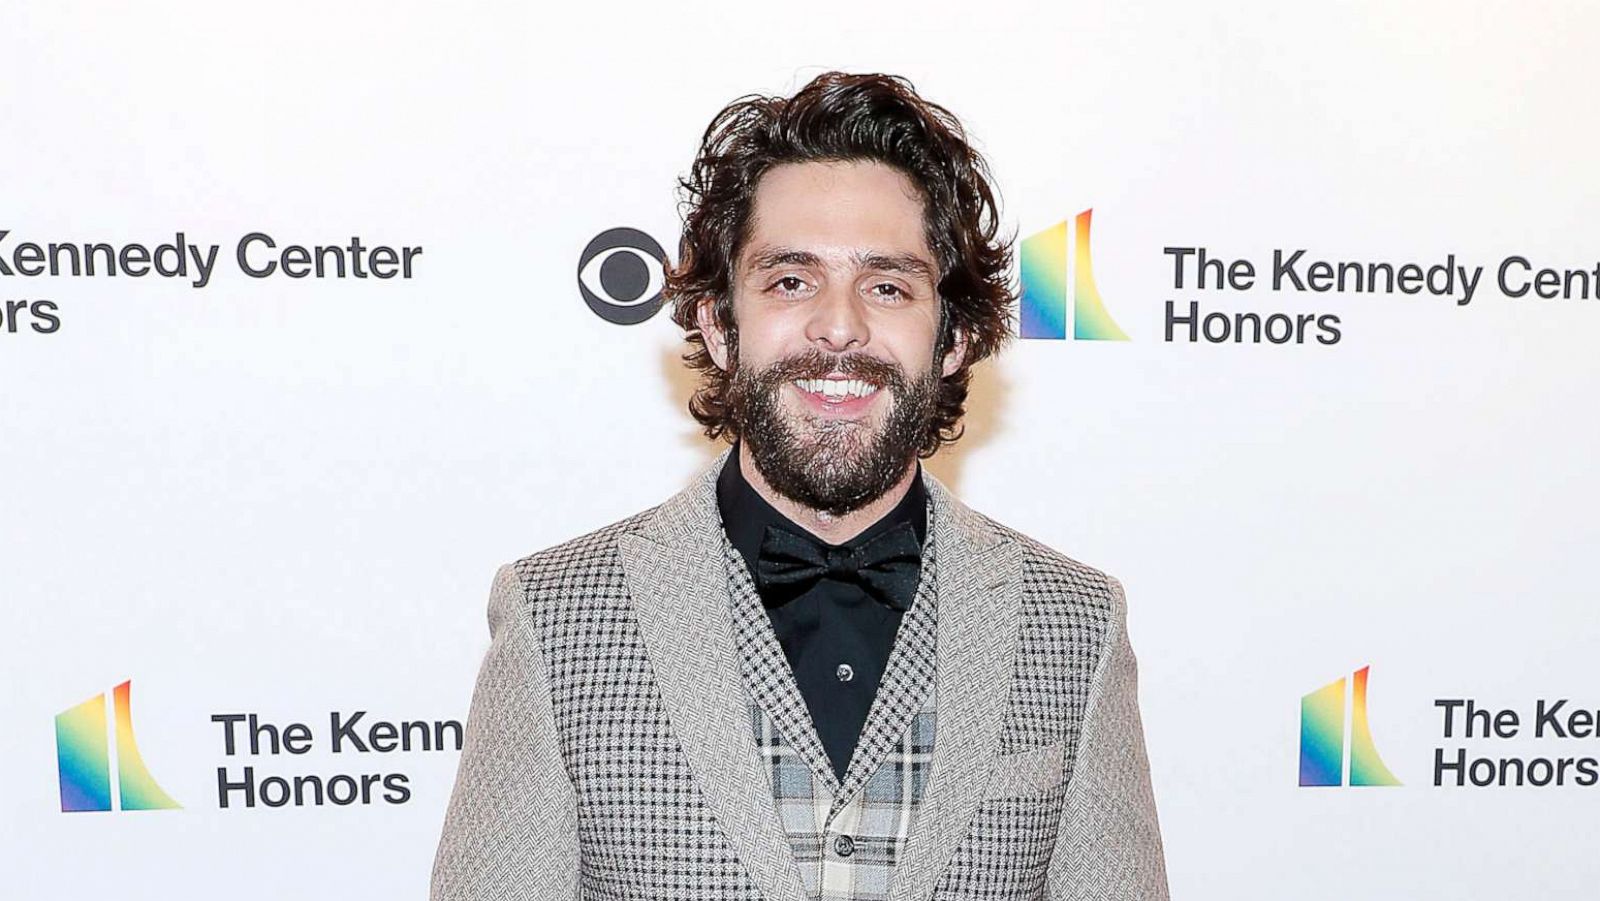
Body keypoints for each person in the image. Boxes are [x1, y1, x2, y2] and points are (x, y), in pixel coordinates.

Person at [431, 71, 1168, 901]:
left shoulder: (1074, 624)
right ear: (719, 323)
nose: (841, 324)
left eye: (888, 285)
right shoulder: (556, 616)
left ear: (954, 336)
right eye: (791, 280)